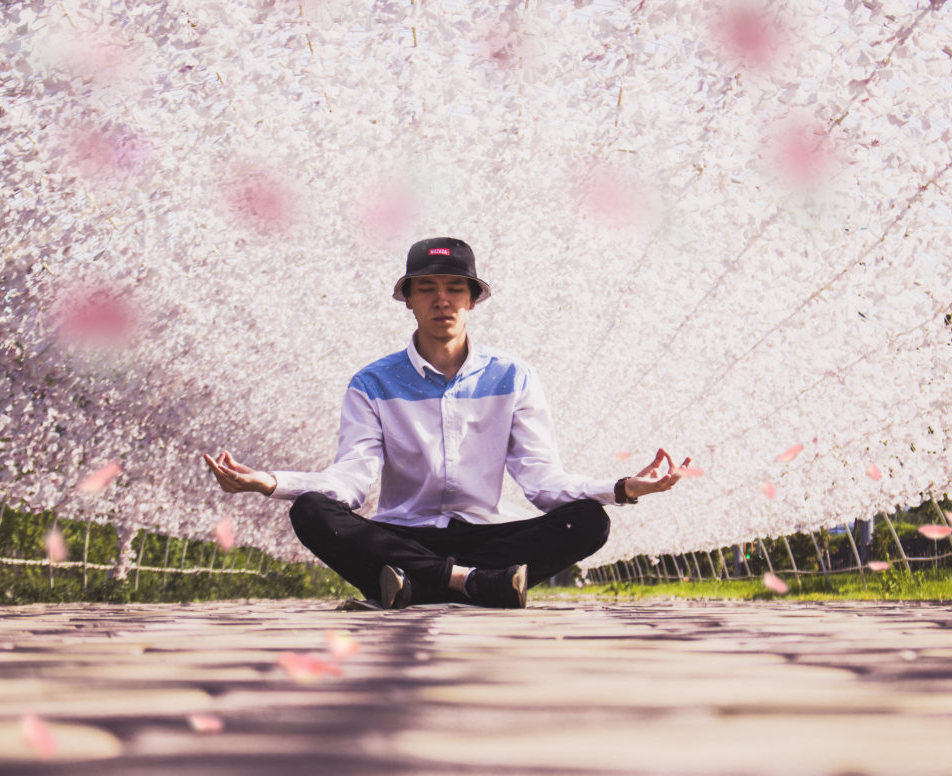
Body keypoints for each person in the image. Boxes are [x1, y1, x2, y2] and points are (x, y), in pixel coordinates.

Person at [204, 237, 690, 609]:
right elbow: (350, 480)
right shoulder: (371, 383)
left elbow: (542, 480)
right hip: (402, 535)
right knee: (310, 511)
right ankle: (471, 586)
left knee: (587, 520)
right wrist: (269, 483)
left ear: (472, 299)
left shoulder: (513, 377)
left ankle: (418, 586)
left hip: (485, 538)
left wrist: (622, 487)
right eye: (428, 289)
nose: (442, 300)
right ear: (408, 300)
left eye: (455, 288)